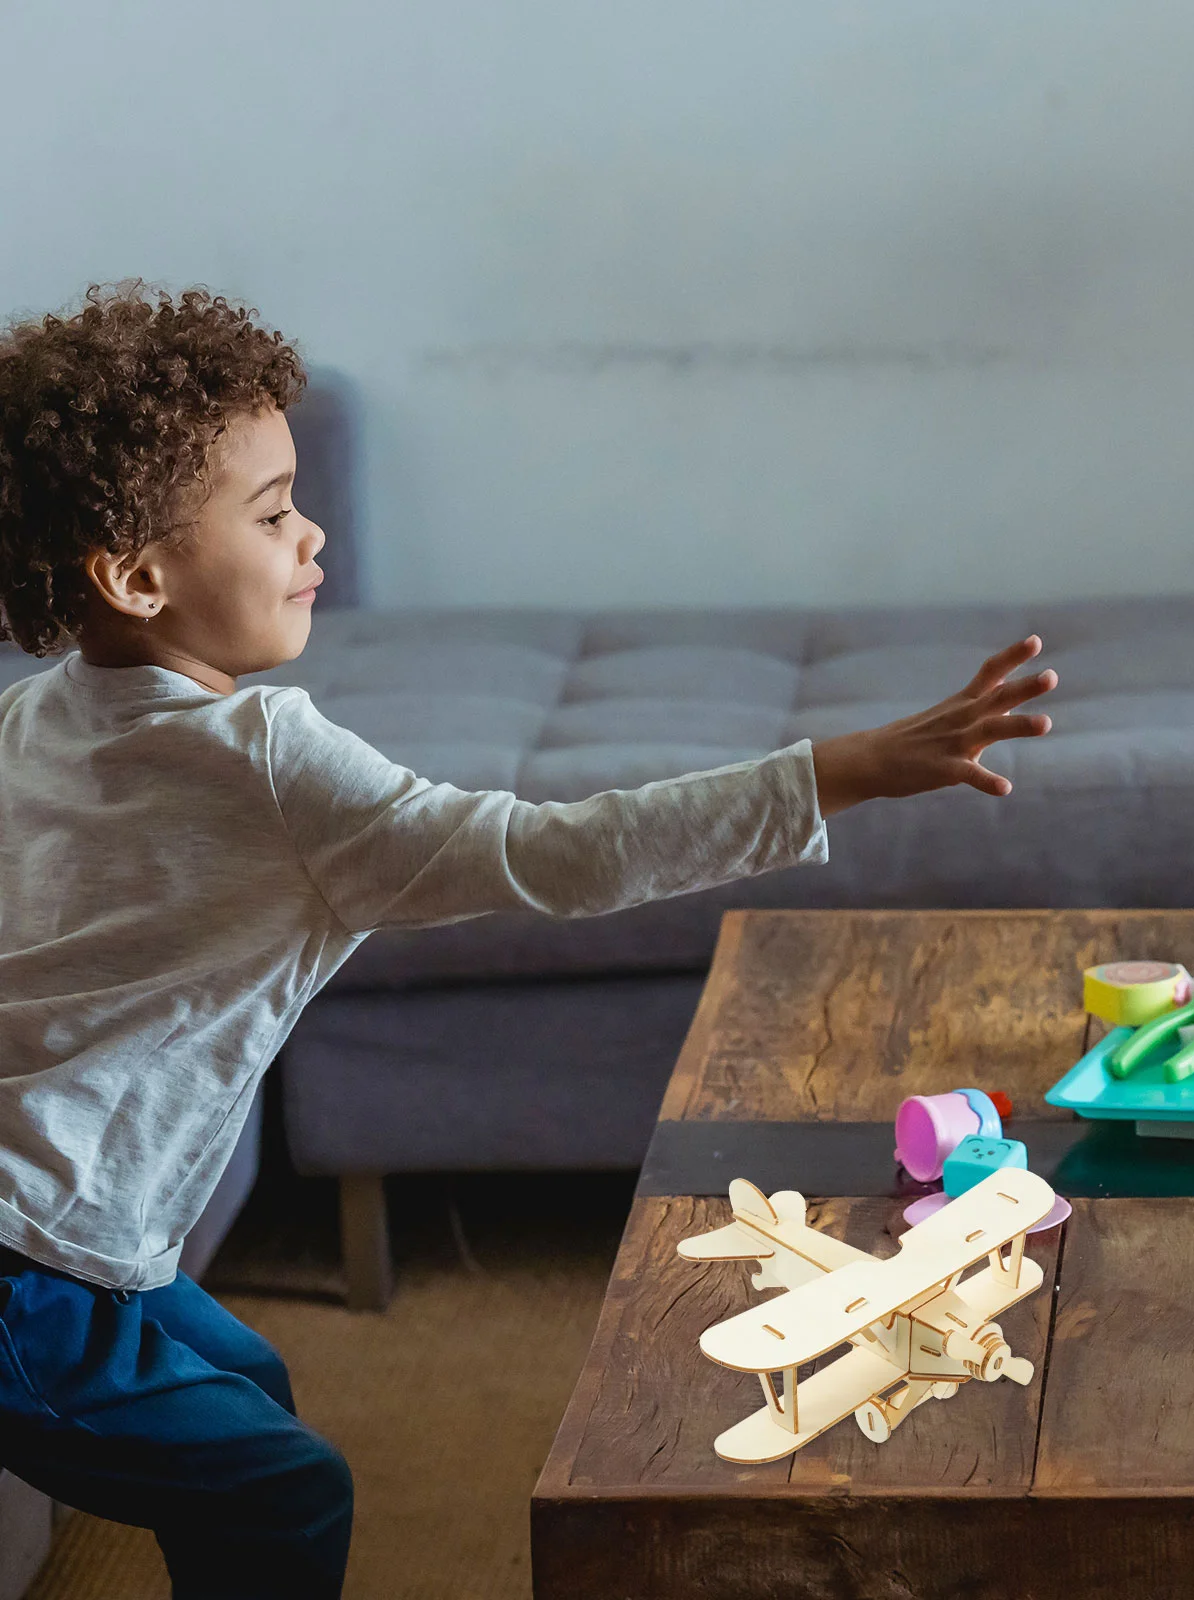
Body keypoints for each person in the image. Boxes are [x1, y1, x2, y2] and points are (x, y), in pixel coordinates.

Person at [0, 281, 1055, 1598]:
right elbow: (554, 856)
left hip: (65, 1232)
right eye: (270, 515)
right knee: (284, 1488)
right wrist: (827, 773)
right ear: (138, 575)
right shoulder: (268, 761)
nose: (311, 530)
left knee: (248, 1384)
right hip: (32, 1265)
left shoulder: (36, 714)